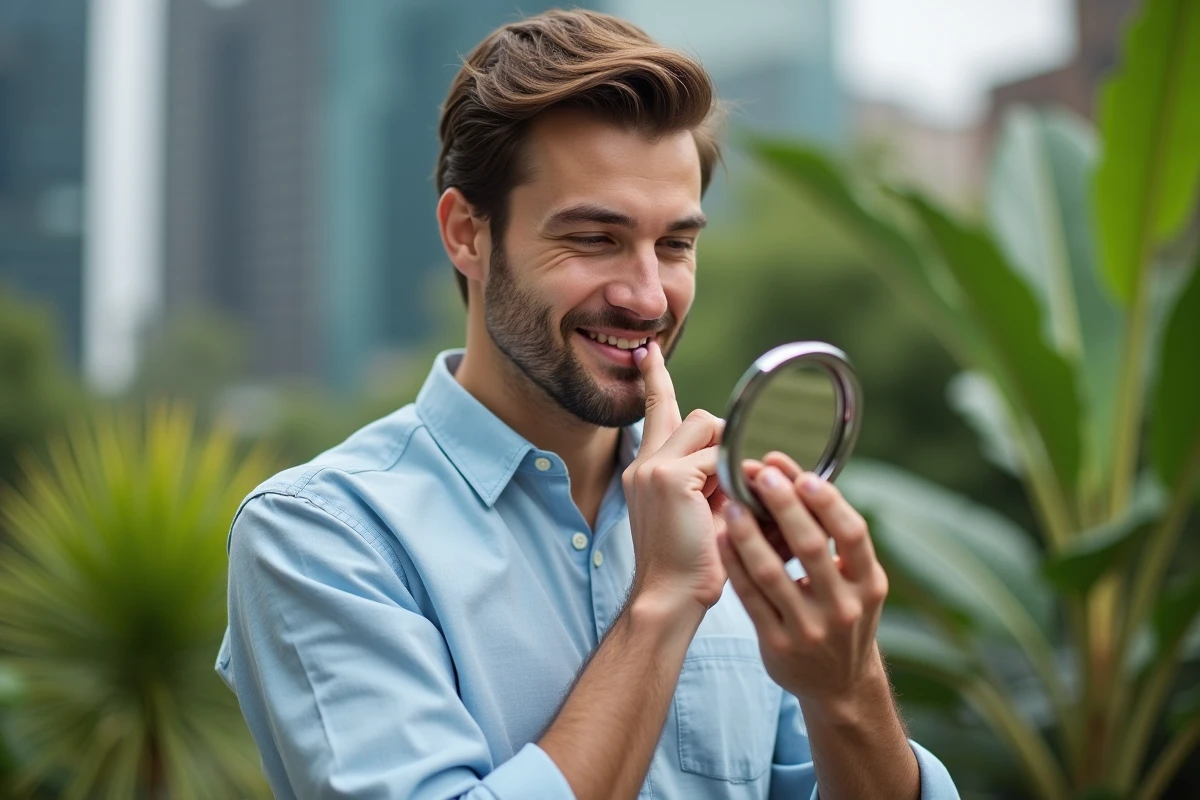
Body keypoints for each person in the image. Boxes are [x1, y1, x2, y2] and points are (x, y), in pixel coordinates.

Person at [217, 9, 961, 799]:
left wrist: (844, 688)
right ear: (468, 234)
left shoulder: (732, 522)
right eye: (595, 238)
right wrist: (665, 601)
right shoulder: (322, 536)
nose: (647, 297)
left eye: (675, 244)